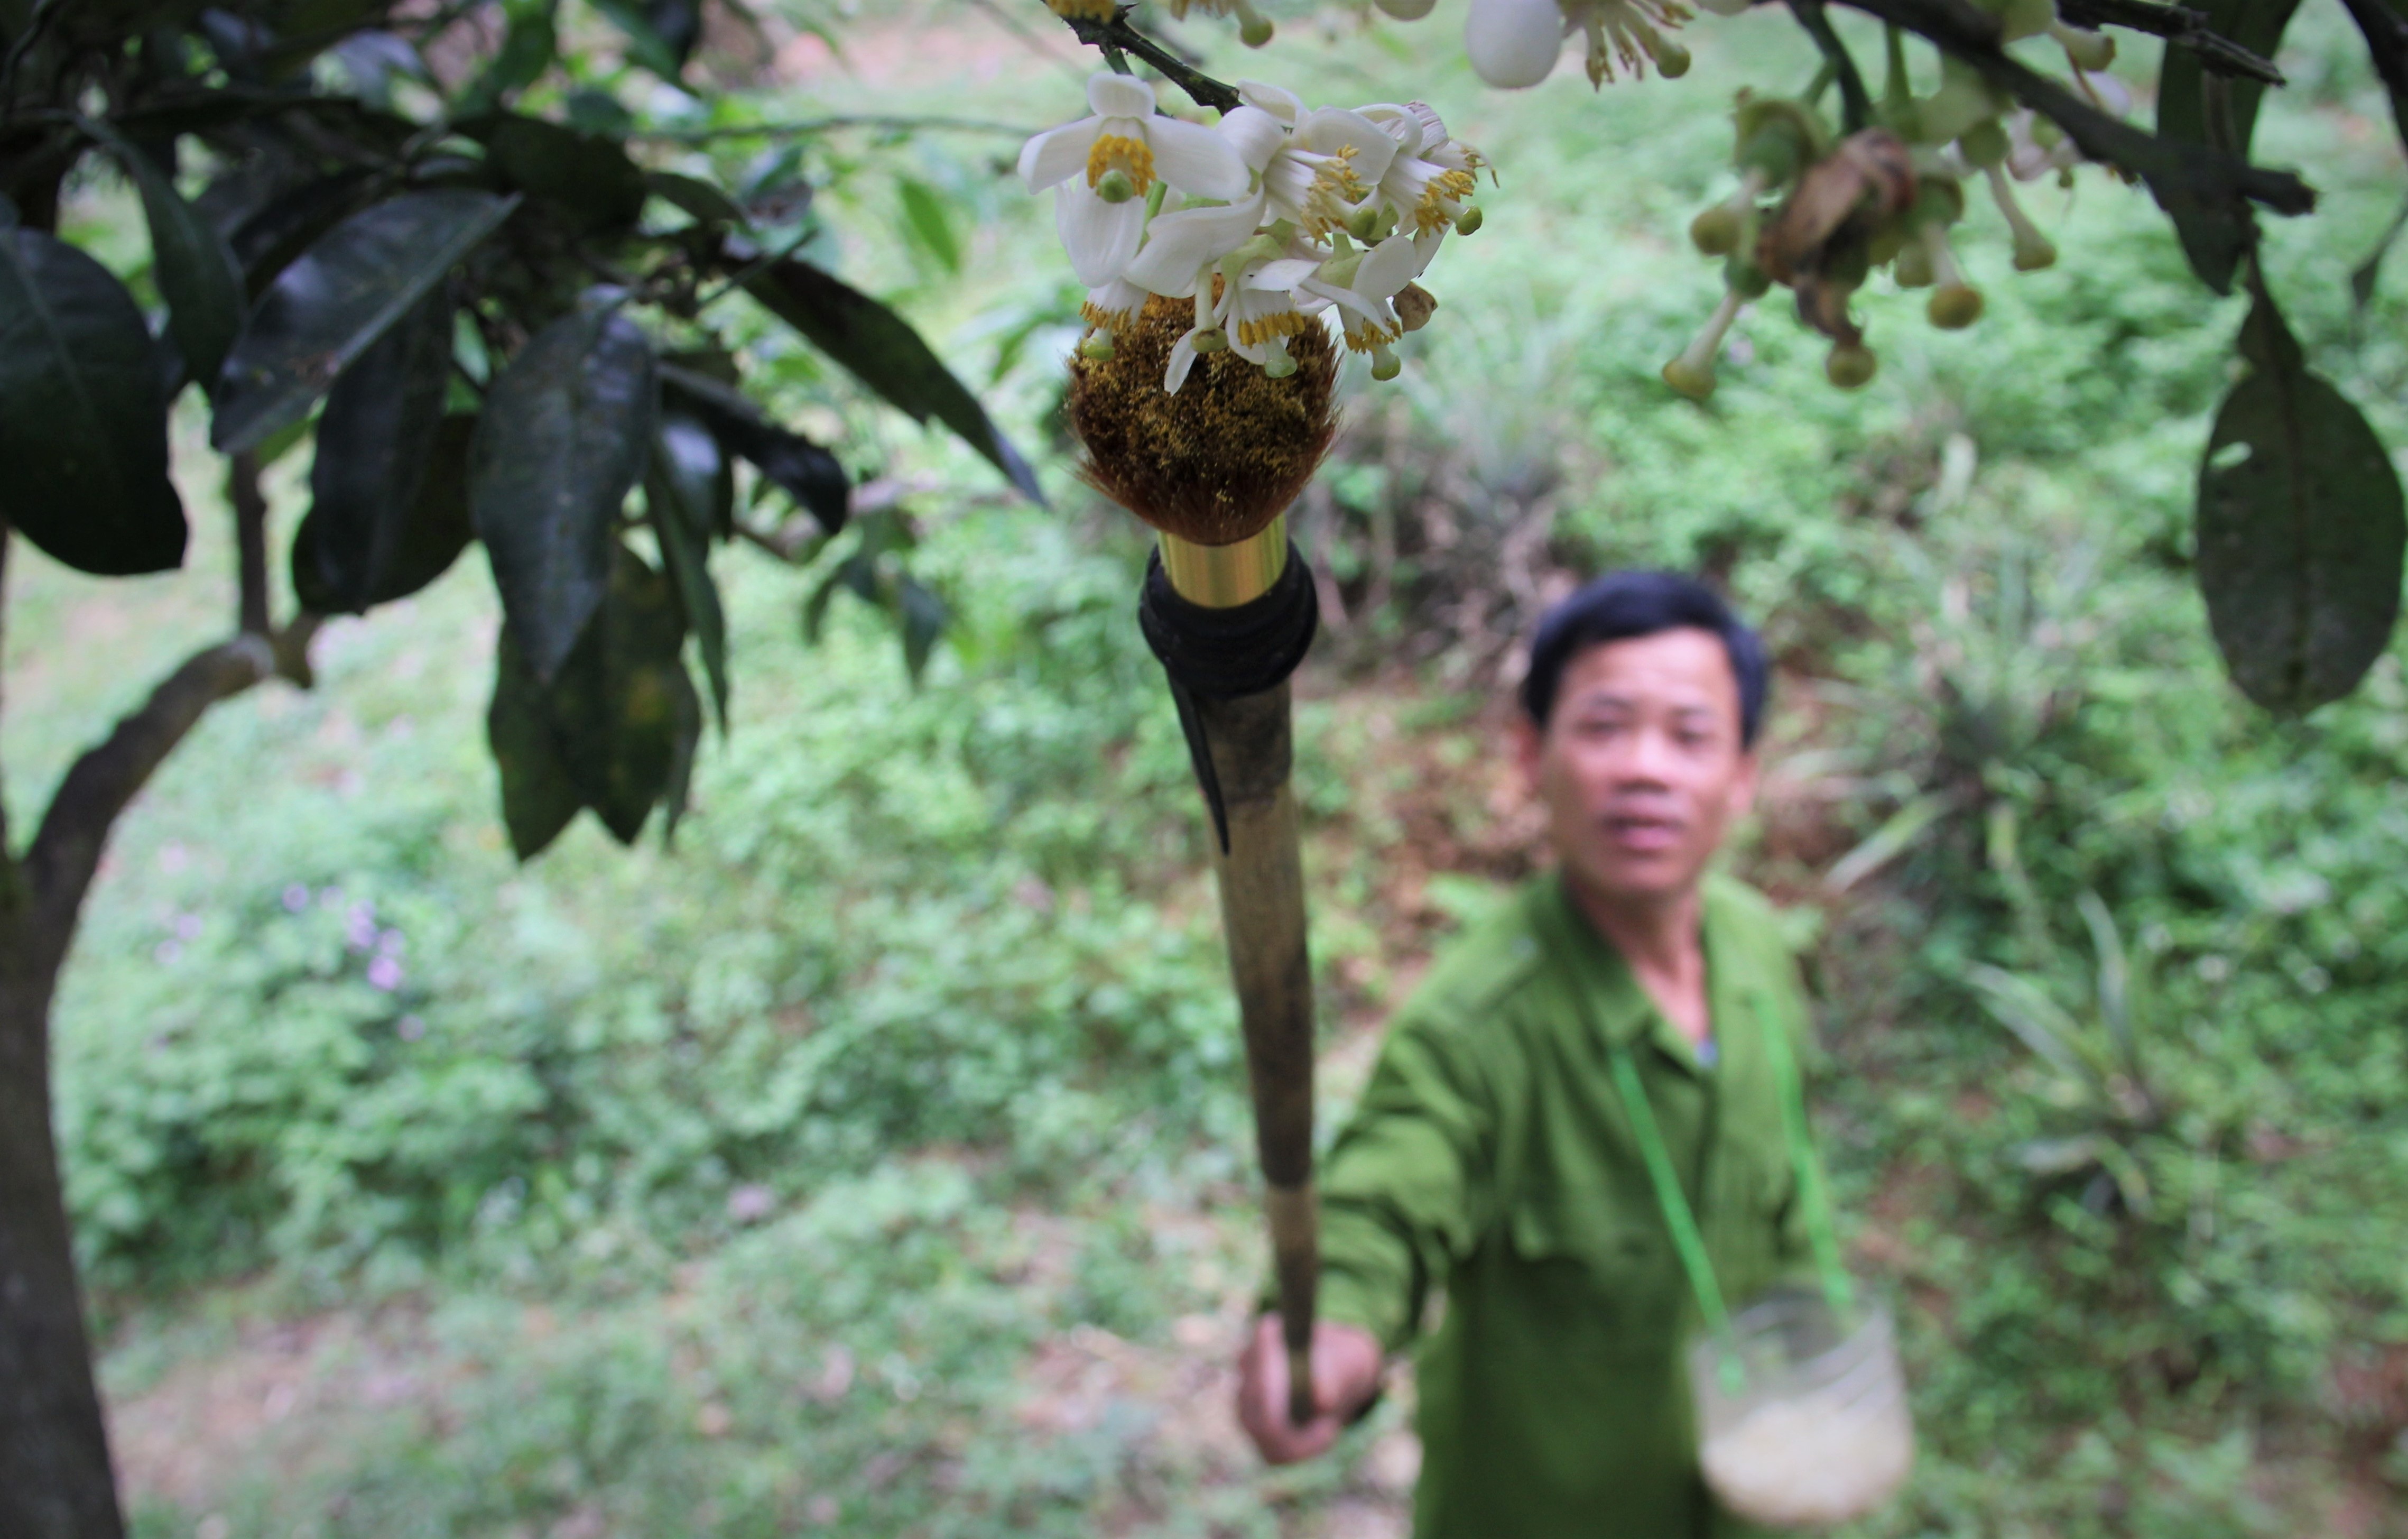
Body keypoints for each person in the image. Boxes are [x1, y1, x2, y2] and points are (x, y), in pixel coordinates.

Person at [1235, 572, 1823, 1538]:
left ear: (1744, 775)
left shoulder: (1759, 954)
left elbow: (1794, 1193)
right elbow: (1386, 1193)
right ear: (1529, 753)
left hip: (1755, 1501)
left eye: (1689, 734)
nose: (1646, 767)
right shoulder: (1478, 1027)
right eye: (1603, 725)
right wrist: (1330, 1326)